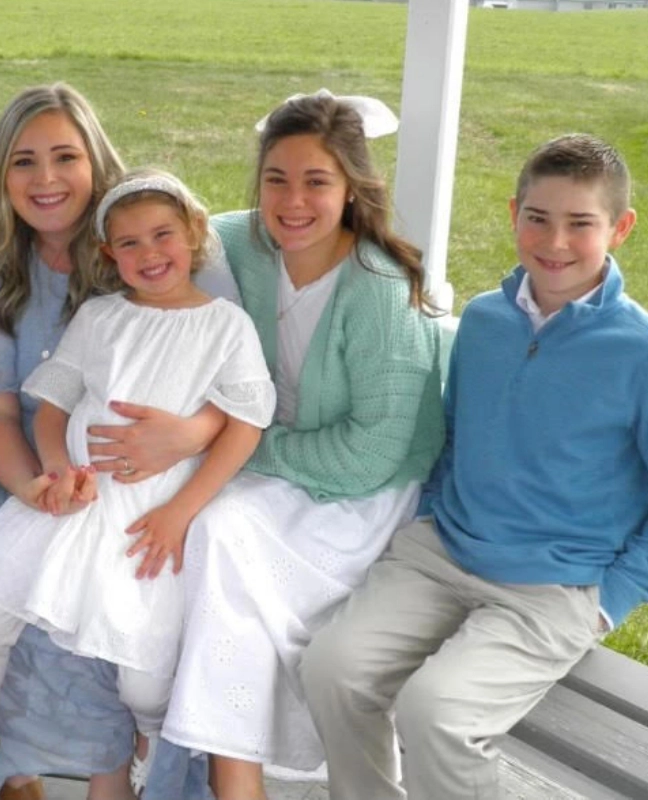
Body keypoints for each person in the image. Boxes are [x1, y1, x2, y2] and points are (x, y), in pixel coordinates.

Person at [300, 134, 645, 800]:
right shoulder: (487, 320)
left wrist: (614, 599)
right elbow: (455, 433)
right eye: (538, 218)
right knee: (331, 668)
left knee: (439, 713)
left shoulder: (637, 350)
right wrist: (432, 510)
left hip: (553, 585)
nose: (555, 242)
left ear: (621, 229)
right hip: (444, 552)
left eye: (581, 224)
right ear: (514, 213)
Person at [0, 169, 275, 800]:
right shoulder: (101, 315)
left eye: (162, 235)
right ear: (109, 253)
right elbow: (55, 406)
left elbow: (245, 426)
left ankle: (147, 734)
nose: (149, 254)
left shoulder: (225, 325)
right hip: (78, 501)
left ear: (194, 234)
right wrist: (57, 468)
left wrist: (181, 514)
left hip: (154, 514)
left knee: (143, 684)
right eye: (129, 243)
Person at [159, 91, 446, 800]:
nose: (292, 202)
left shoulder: (377, 287)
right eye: (276, 179)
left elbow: (372, 454)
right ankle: (211, 777)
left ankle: (220, 782)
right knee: (193, 550)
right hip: (271, 471)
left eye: (317, 181)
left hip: (361, 497)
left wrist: (235, 446)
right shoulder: (240, 245)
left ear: (352, 189)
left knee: (219, 534)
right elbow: (151, 233)